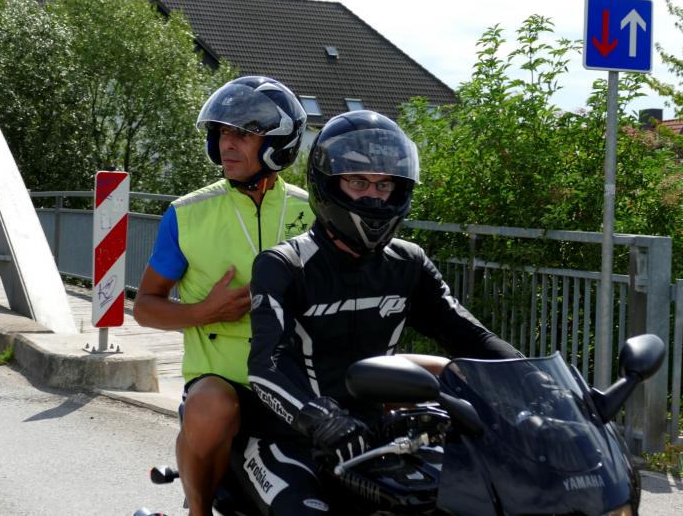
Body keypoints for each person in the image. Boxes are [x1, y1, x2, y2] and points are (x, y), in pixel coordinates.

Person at [242, 110, 522, 514]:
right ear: (327, 183)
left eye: (384, 184)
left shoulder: (408, 263)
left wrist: (540, 386)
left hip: (376, 436)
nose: (374, 196)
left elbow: (471, 338)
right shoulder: (284, 265)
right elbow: (266, 365)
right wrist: (320, 419)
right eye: (358, 183)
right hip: (289, 440)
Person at [133, 76, 315, 516]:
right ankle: (198, 511)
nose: (226, 144)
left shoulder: (313, 211)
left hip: (296, 379)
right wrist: (203, 311)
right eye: (221, 133)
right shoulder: (186, 214)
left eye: (243, 134)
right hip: (220, 377)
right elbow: (145, 308)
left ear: (279, 143)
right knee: (212, 407)